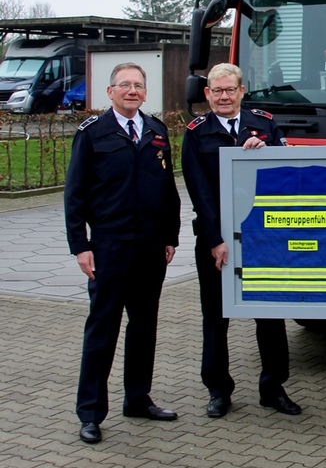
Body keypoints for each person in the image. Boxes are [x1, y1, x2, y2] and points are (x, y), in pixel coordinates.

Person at [65, 62, 181, 444]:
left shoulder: (157, 132)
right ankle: (91, 412)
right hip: (109, 246)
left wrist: (170, 237)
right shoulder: (92, 133)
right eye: (124, 85)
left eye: (138, 85)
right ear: (110, 92)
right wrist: (80, 246)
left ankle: (138, 398)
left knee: (144, 325)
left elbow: (168, 191)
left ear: (146, 93)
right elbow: (75, 195)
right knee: (103, 328)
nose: (132, 91)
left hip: (150, 246)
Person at [182, 62, 301, 419]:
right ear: (207, 94)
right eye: (216, 91)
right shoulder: (196, 132)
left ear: (241, 91)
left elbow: (286, 175)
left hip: (262, 240)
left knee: (269, 313)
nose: (223, 96)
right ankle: (218, 390)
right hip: (216, 242)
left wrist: (264, 150)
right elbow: (199, 192)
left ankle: (273, 387)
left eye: (229, 90)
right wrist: (216, 239)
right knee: (216, 317)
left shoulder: (264, 124)